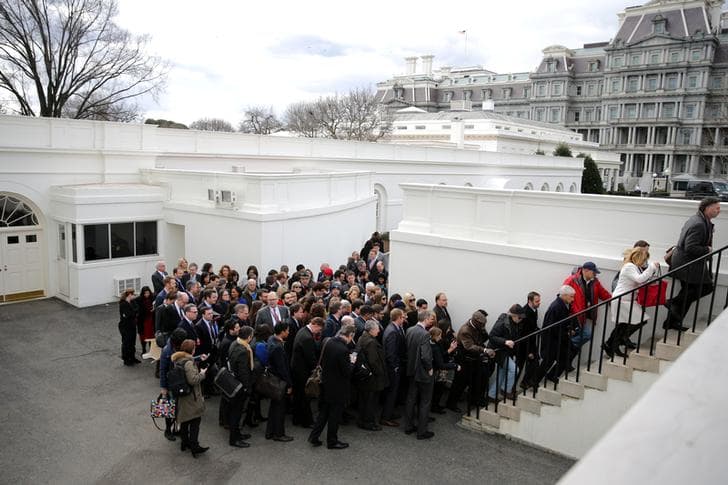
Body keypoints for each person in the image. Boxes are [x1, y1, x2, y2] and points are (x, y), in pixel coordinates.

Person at [664, 197, 720, 331]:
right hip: (687, 264)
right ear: (707, 208)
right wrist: (707, 249)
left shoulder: (700, 220)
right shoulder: (699, 223)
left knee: (688, 293)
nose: (719, 211)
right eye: (716, 208)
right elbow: (690, 247)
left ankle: (671, 322)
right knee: (706, 287)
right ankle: (673, 303)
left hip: (688, 263)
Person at [603, 248, 661, 358]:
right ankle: (614, 344)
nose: (645, 262)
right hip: (622, 299)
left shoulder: (635, 267)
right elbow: (639, 279)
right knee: (631, 322)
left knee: (627, 323)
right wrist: (652, 267)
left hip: (627, 299)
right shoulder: (629, 266)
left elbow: (640, 281)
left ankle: (611, 344)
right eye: (644, 259)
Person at [308, 324, 357, 450]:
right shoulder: (343, 350)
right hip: (338, 388)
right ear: (350, 336)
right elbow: (347, 372)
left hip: (325, 384)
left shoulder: (328, 342)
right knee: (334, 415)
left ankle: (314, 436)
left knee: (323, 413)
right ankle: (332, 441)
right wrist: (352, 362)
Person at [446, 310, 492, 411]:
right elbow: (469, 347)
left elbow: (483, 339)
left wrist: (483, 330)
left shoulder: (478, 327)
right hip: (463, 359)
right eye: (482, 324)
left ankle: (474, 400)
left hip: (473, 358)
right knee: (460, 383)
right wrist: (484, 350)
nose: (483, 326)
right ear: (475, 321)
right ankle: (451, 403)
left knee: (476, 380)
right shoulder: (465, 330)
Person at [563, 261, 611, 358]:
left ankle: (567, 353)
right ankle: (566, 348)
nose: (595, 274)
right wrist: (570, 311)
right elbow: (563, 294)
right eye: (593, 272)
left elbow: (604, 294)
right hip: (573, 316)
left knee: (583, 337)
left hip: (583, 316)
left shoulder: (595, 282)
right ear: (585, 271)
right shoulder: (572, 280)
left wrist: (614, 301)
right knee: (586, 335)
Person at [532, 286, 577, 386]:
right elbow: (551, 326)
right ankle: (535, 381)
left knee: (569, 353)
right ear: (564, 296)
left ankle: (551, 375)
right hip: (552, 339)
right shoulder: (556, 307)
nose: (573, 299)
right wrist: (566, 333)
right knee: (548, 361)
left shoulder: (563, 304)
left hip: (559, 338)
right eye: (571, 297)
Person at [171, 339, 209, 457]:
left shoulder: (178, 360)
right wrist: (202, 374)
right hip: (191, 397)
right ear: (192, 350)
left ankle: (185, 442)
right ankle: (194, 446)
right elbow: (193, 380)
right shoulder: (188, 363)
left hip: (182, 397)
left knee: (185, 421)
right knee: (195, 421)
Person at [404, 310, 436, 440]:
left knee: (411, 399)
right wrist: (429, 368)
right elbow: (426, 355)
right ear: (426, 319)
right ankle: (422, 431)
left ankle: (408, 426)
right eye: (431, 319)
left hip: (411, 370)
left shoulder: (410, 330)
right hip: (422, 372)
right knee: (425, 401)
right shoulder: (425, 334)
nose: (432, 321)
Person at [487, 304, 526, 401]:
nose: (521, 319)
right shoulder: (502, 323)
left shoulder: (516, 322)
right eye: (520, 317)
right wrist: (505, 341)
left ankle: (491, 395)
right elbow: (492, 336)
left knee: (502, 372)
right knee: (514, 369)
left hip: (506, 351)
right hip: (498, 351)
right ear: (513, 315)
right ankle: (505, 390)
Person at [291, 316, 324, 428]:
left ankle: (297, 418)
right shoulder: (307, 338)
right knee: (305, 397)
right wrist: (317, 369)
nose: (318, 332)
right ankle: (306, 421)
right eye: (319, 330)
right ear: (315, 325)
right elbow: (310, 358)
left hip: (296, 369)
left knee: (298, 396)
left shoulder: (302, 330)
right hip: (302, 371)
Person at [356, 320, 388, 431]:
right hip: (372, 377)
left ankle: (363, 420)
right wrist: (380, 373)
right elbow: (373, 361)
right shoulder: (371, 342)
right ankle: (368, 422)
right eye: (377, 329)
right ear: (371, 330)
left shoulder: (362, 338)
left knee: (364, 400)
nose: (379, 331)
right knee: (370, 401)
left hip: (365, 376)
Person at [227, 326, 255, 448]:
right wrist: (246, 387)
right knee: (236, 413)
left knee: (235, 411)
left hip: (233, 383)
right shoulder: (243, 350)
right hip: (239, 386)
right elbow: (243, 372)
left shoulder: (235, 343)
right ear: (249, 337)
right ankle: (234, 439)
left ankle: (237, 434)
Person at [265, 322, 294, 442]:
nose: (288, 332)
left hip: (274, 379)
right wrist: (289, 384)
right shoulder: (278, 348)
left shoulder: (272, 339)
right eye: (287, 330)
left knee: (274, 407)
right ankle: (278, 433)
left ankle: (270, 431)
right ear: (282, 332)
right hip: (279, 382)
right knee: (279, 408)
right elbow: (282, 369)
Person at [159, 328, 187, 441]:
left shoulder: (177, 347)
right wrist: (163, 388)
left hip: (179, 382)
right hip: (170, 384)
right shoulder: (167, 351)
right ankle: (168, 430)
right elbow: (162, 370)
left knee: (178, 408)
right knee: (169, 408)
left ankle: (176, 428)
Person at [381, 308, 407, 426]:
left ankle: (389, 412)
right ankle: (386, 417)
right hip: (393, 368)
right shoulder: (392, 331)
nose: (405, 318)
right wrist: (395, 367)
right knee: (391, 392)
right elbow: (390, 353)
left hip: (396, 366)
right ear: (398, 318)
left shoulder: (395, 328)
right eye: (403, 317)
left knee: (393, 392)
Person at [430, 326, 459, 413]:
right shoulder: (434, 346)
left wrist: (451, 348)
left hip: (437, 370)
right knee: (438, 390)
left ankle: (436, 405)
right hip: (437, 371)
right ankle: (434, 407)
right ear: (434, 336)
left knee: (439, 389)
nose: (440, 337)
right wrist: (454, 366)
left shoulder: (434, 343)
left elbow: (442, 355)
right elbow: (440, 364)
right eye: (439, 336)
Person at [517, 292, 541, 390]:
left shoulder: (534, 310)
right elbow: (523, 333)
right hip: (524, 344)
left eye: (539, 300)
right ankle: (519, 384)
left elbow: (532, 325)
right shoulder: (525, 312)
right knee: (520, 366)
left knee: (533, 362)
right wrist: (530, 351)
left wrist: (537, 329)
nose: (539, 303)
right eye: (537, 301)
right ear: (529, 301)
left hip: (530, 342)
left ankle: (526, 382)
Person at [118, 289, 139, 366]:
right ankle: (126, 359)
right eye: (133, 294)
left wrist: (133, 312)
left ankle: (132, 357)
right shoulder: (123, 304)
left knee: (132, 343)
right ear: (129, 295)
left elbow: (137, 309)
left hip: (132, 325)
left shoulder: (132, 302)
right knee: (126, 343)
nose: (134, 296)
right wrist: (134, 312)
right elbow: (128, 315)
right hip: (125, 327)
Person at [135, 286, 155, 354]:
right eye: (145, 293)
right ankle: (143, 349)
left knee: (151, 335)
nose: (147, 295)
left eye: (148, 293)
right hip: (142, 320)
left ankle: (150, 350)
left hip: (151, 320)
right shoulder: (138, 300)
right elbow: (138, 310)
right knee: (142, 336)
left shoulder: (152, 298)